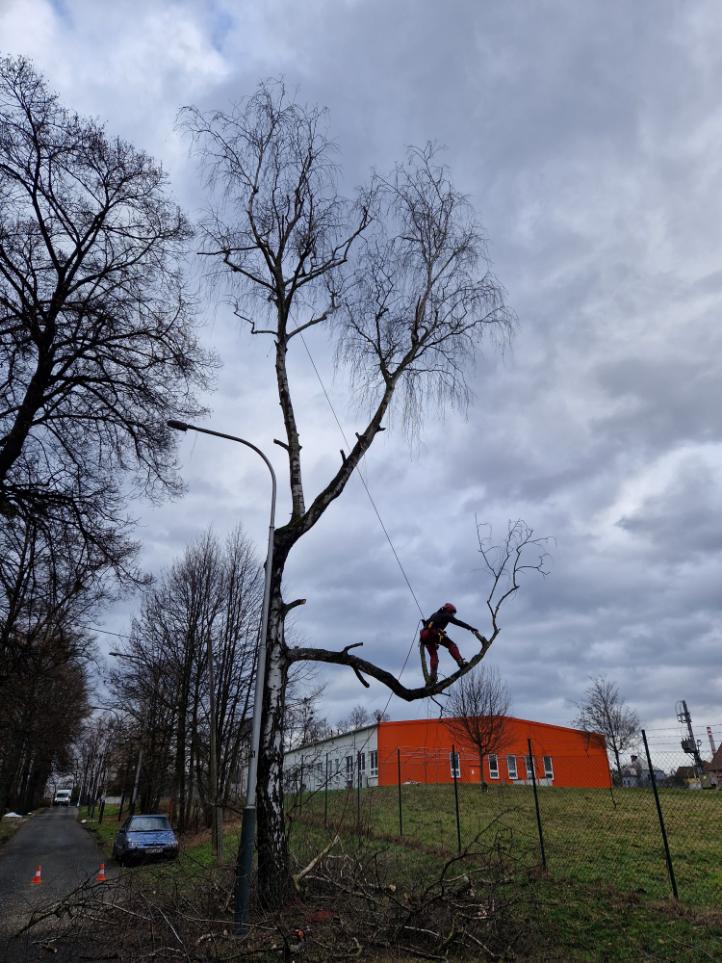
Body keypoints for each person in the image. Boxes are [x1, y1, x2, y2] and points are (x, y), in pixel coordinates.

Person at [420, 602, 480, 684]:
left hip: (424, 635)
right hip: (434, 633)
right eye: (452, 613)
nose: (452, 615)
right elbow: (458, 622)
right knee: (451, 645)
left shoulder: (435, 614)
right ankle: (460, 662)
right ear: (449, 610)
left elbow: (428, 625)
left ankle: (432, 677)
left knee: (433, 656)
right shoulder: (446, 615)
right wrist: (470, 628)